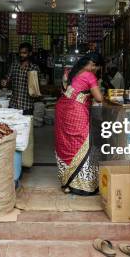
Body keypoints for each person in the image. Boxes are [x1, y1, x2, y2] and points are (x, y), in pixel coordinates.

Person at [54, 52, 104, 195]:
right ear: (94, 65)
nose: (97, 70)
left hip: (63, 110)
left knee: (68, 144)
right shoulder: (89, 75)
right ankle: (81, 185)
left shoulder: (70, 72)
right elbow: (99, 98)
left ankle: (67, 182)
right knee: (84, 143)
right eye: (98, 68)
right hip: (77, 112)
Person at [1, 42, 39, 115]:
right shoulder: (14, 65)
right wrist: (4, 82)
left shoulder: (34, 68)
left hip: (27, 106)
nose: (21, 55)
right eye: (20, 53)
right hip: (13, 105)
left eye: (24, 53)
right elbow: (7, 79)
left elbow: (35, 90)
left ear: (30, 53)